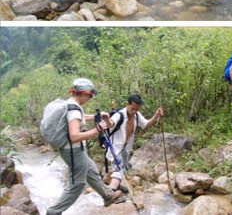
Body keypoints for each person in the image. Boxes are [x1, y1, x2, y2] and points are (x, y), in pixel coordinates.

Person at [45, 78, 124, 215]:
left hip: (74, 150)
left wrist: (96, 116)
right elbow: (74, 135)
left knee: (91, 171)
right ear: (84, 93)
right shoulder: (74, 109)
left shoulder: (69, 104)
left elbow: (77, 117)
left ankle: (107, 196)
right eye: (90, 96)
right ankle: (53, 212)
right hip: (73, 151)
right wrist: (97, 130)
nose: (89, 98)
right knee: (77, 184)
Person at [103, 95, 164, 193]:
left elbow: (146, 124)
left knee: (125, 168)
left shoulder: (137, 115)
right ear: (127, 104)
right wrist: (106, 119)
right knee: (118, 169)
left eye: (137, 109)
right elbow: (111, 124)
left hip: (126, 148)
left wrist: (156, 115)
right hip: (115, 148)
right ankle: (110, 193)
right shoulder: (119, 115)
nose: (134, 111)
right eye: (133, 108)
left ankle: (116, 186)